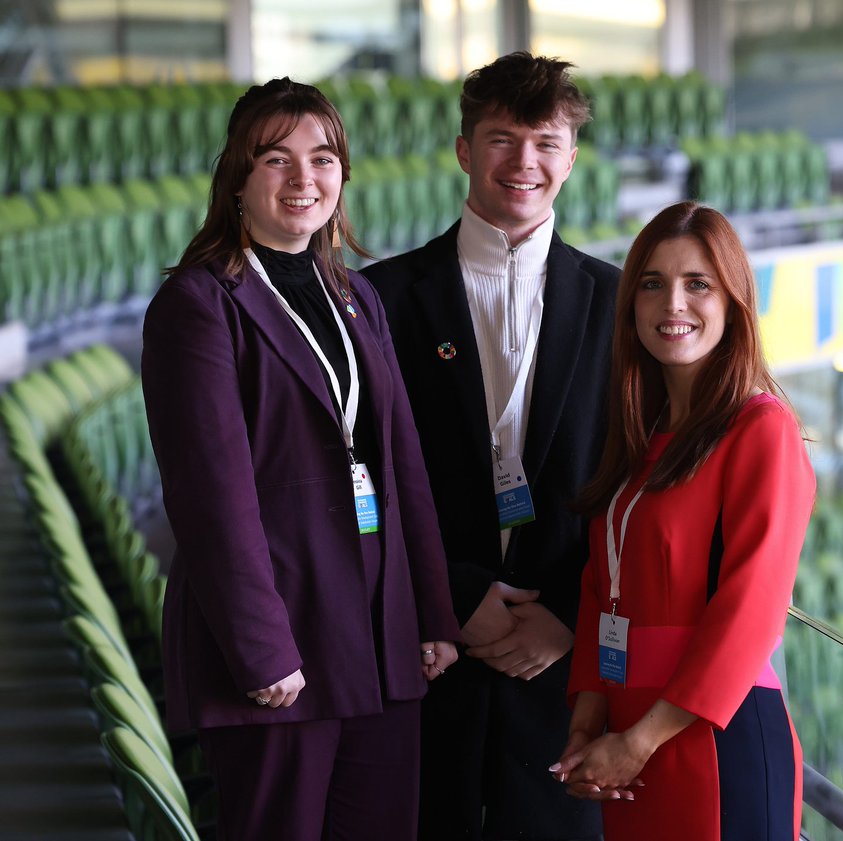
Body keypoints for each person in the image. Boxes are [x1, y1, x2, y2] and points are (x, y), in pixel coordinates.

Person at [140, 77, 459, 841]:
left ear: (343, 173)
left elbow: (400, 462)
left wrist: (431, 614)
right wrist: (261, 649)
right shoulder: (199, 303)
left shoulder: (353, 294)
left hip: (376, 638)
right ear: (238, 180)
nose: (303, 178)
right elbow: (210, 496)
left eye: (322, 158)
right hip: (280, 653)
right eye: (275, 159)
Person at [362, 52, 618, 840]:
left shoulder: (620, 299)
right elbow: (360, 480)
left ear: (571, 159)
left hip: (567, 679)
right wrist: (449, 594)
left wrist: (574, 619)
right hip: (425, 657)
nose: (525, 162)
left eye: (545, 142)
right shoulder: (381, 297)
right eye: (503, 139)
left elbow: (640, 484)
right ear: (465, 150)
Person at [550, 201, 815, 841]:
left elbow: (752, 610)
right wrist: (590, 723)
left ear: (733, 301)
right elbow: (601, 587)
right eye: (652, 284)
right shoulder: (645, 435)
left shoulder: (762, 428)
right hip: (626, 732)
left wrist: (639, 741)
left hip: (710, 733)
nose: (673, 304)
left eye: (698, 284)